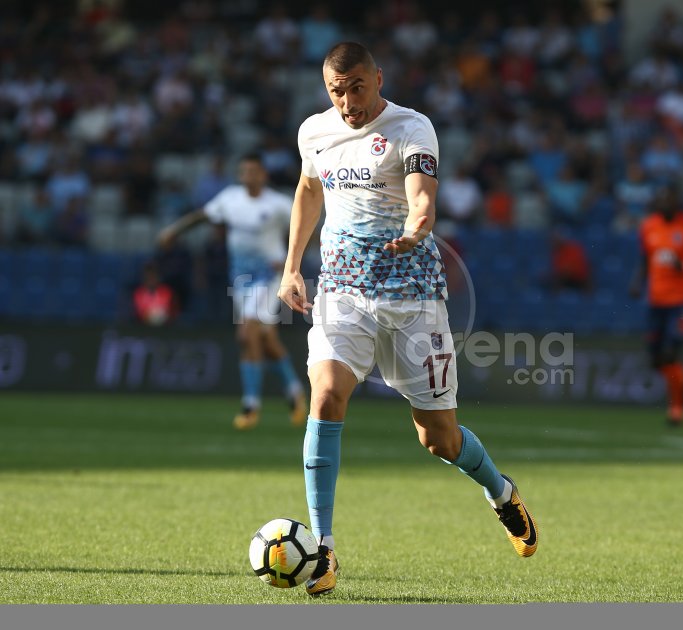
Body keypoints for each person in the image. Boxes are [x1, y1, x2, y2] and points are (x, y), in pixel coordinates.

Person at [277, 42, 538, 598]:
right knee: (326, 396)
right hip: (342, 291)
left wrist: (419, 224)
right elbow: (308, 189)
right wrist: (292, 265)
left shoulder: (412, 128)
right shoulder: (314, 132)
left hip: (413, 298)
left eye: (356, 88)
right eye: (336, 91)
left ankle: (499, 490)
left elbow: (422, 197)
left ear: (378, 78)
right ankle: (323, 549)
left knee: (438, 439)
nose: (348, 102)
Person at [157, 153, 307, 430]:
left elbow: (304, 226)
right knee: (265, 339)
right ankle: (295, 391)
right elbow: (203, 216)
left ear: (263, 175)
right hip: (241, 279)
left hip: (268, 276)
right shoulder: (230, 199)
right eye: (244, 171)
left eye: (254, 171)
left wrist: (292, 262)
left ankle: (250, 406)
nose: (249, 176)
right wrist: (174, 231)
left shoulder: (278, 204)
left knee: (245, 334)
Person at [630, 182, 683, 427]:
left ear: (677, 202)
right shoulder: (648, 225)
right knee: (656, 359)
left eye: (669, 199)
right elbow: (646, 259)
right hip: (656, 300)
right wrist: (637, 282)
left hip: (682, 301)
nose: (664, 203)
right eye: (661, 199)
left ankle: (677, 410)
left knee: (671, 353)